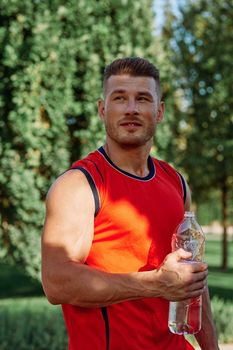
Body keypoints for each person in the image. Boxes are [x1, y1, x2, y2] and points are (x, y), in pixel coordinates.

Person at [41, 57, 219, 350]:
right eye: (120, 98)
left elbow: (194, 281)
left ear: (159, 111)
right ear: (103, 109)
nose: (131, 108)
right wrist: (156, 283)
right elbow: (57, 282)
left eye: (143, 98)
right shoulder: (80, 185)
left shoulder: (176, 182)